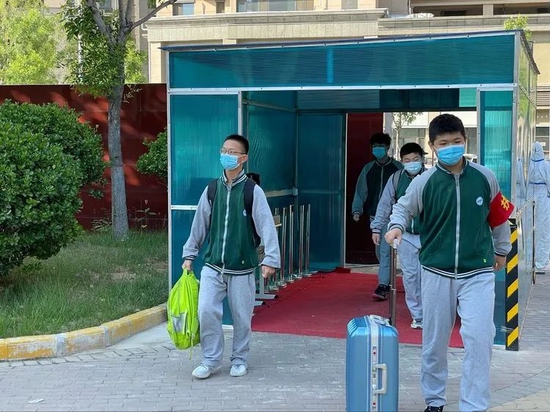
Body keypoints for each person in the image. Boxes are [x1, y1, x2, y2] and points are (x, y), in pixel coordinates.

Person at [385, 114, 513, 412]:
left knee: (479, 339)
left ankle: (474, 405)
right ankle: (434, 401)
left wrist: (502, 250)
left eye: (456, 141)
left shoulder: (485, 177)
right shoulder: (424, 182)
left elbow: (499, 218)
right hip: (436, 271)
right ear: (433, 146)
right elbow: (402, 208)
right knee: (434, 342)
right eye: (443, 143)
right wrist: (396, 227)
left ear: (465, 141)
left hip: (478, 271)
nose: (451, 147)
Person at [182, 134, 280, 379]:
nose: (227, 155)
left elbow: (266, 226)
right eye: (224, 150)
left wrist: (270, 259)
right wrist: (189, 254)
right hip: (213, 265)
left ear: (243, 158)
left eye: (232, 152)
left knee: (241, 318)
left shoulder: (252, 191)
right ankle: (210, 360)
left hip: (242, 267)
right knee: (206, 311)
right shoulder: (212, 189)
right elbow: (200, 224)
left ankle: (239, 359)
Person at [371, 142, 426, 329]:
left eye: (415, 159)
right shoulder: (396, 179)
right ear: (402, 161)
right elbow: (385, 204)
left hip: (429, 235)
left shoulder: (432, 178)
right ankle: (418, 315)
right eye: (407, 160)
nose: (412, 163)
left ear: (422, 159)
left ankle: (431, 313)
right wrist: (377, 228)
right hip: (406, 235)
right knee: (410, 276)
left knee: (428, 276)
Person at [352, 132, 402, 300]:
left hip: (394, 217)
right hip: (375, 216)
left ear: (387, 148)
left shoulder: (398, 169)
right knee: (380, 251)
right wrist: (357, 210)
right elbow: (361, 191)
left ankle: (383, 285)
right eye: (375, 147)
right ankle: (387, 279)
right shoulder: (368, 169)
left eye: (381, 146)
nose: (377, 149)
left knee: (386, 250)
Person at [527, 142, 550, 272]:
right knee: (543, 230)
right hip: (543, 197)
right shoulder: (546, 165)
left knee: (530, 229)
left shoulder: (528, 164)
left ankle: (531, 259)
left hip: (531, 195)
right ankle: (541, 262)